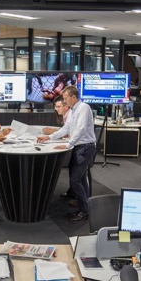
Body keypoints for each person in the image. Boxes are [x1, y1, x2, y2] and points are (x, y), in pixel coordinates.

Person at [37, 86, 96, 222]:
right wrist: (50, 137)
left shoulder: (84, 108)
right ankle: (85, 207)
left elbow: (80, 129)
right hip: (79, 147)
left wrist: (69, 144)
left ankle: (84, 211)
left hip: (85, 148)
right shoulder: (74, 110)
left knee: (75, 180)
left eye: (65, 98)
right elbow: (67, 128)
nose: (64, 101)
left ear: (73, 97)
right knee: (80, 179)